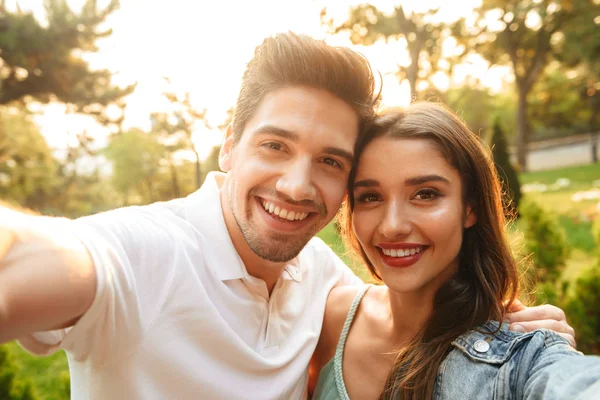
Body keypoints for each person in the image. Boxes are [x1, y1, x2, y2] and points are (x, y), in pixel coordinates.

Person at [0, 33, 574, 399]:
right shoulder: (141, 253)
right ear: (229, 146)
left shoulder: (319, 278)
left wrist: (506, 329)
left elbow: (405, 311)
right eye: (275, 146)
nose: (298, 186)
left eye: (329, 161)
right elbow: (40, 255)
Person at [310, 103, 600, 400]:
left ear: (469, 207)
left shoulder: (518, 358)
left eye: (426, 194)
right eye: (371, 197)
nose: (392, 226)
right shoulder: (333, 316)